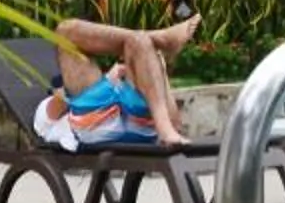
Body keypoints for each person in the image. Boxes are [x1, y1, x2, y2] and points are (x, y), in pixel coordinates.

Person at [35, 14, 199, 150]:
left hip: (137, 119)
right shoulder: (46, 112)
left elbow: (175, 122)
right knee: (65, 31)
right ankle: (158, 37)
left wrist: (157, 71)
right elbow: (57, 105)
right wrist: (108, 81)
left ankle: (153, 38)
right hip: (97, 121)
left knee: (138, 41)